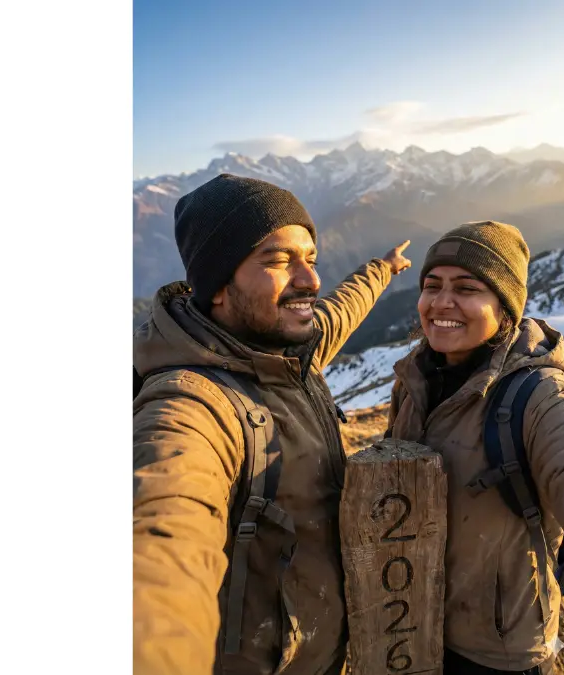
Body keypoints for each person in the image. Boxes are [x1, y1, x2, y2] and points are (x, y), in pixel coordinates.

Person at [133, 173, 412, 675]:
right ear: (217, 286)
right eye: (279, 261)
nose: (309, 280)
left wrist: (384, 268)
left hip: (321, 652)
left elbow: (340, 308)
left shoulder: (287, 349)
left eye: (310, 258)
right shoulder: (192, 403)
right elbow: (165, 529)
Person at [384, 221, 564, 675]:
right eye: (431, 285)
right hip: (409, 627)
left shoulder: (541, 396)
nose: (441, 303)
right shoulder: (413, 378)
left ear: (505, 306)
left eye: (467, 288)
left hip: (498, 652)